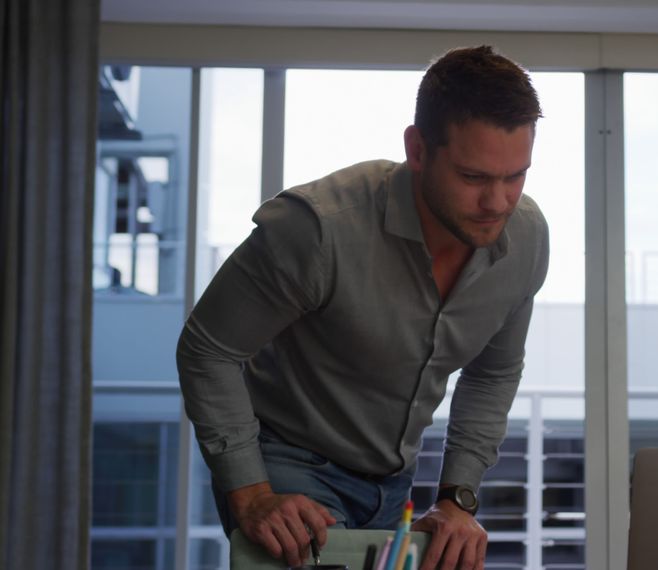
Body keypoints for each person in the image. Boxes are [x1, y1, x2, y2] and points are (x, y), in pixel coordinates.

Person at [176, 45, 549, 570]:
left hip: (394, 484)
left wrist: (456, 497)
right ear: (418, 149)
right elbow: (208, 349)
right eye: (474, 178)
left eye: (515, 176)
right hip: (288, 461)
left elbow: (493, 373)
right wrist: (251, 491)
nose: (498, 203)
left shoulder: (527, 238)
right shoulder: (317, 230)